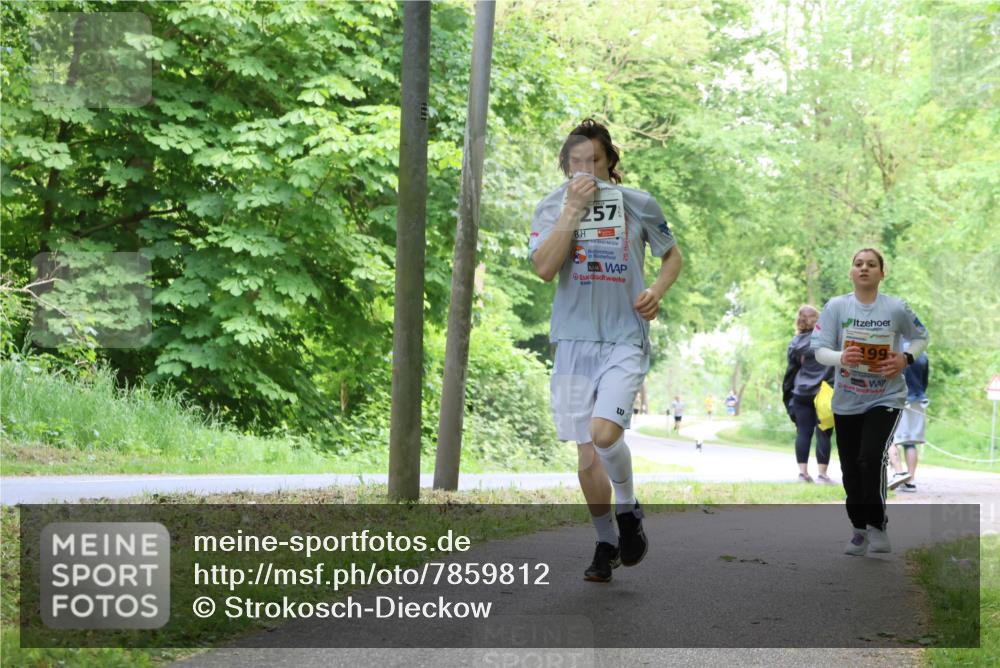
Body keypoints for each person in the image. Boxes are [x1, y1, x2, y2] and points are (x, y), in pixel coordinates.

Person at [529, 119, 683, 582]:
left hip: (624, 337)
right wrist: (570, 214)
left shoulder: (637, 203)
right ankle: (605, 541)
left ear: (610, 162)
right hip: (573, 342)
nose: (585, 170)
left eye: (594, 160)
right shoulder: (552, 208)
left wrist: (656, 289)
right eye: (576, 163)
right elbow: (543, 268)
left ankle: (629, 506)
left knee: (603, 433)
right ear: (564, 167)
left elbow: (671, 254)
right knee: (585, 456)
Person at [812, 248, 928, 556]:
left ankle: (878, 526)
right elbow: (819, 349)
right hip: (848, 399)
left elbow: (921, 337)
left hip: (886, 396)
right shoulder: (836, 307)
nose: (864, 268)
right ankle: (858, 530)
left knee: (870, 457)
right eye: (858, 264)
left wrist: (905, 358)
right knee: (850, 468)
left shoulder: (896, 308)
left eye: (871, 264)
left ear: (881, 273)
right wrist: (841, 357)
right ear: (851, 272)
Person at [783, 305, 835, 484]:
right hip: (823, 393)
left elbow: (791, 371)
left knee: (803, 433)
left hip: (801, 392)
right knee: (824, 432)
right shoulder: (828, 339)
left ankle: (803, 474)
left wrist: (788, 394)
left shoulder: (795, 343)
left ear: (799, 321)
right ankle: (822, 474)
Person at [887, 339, 929, 492]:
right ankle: (910, 481)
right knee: (909, 442)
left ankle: (899, 472)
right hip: (918, 401)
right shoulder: (922, 354)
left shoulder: (893, 353)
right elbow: (924, 381)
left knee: (889, 438)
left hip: (898, 400)